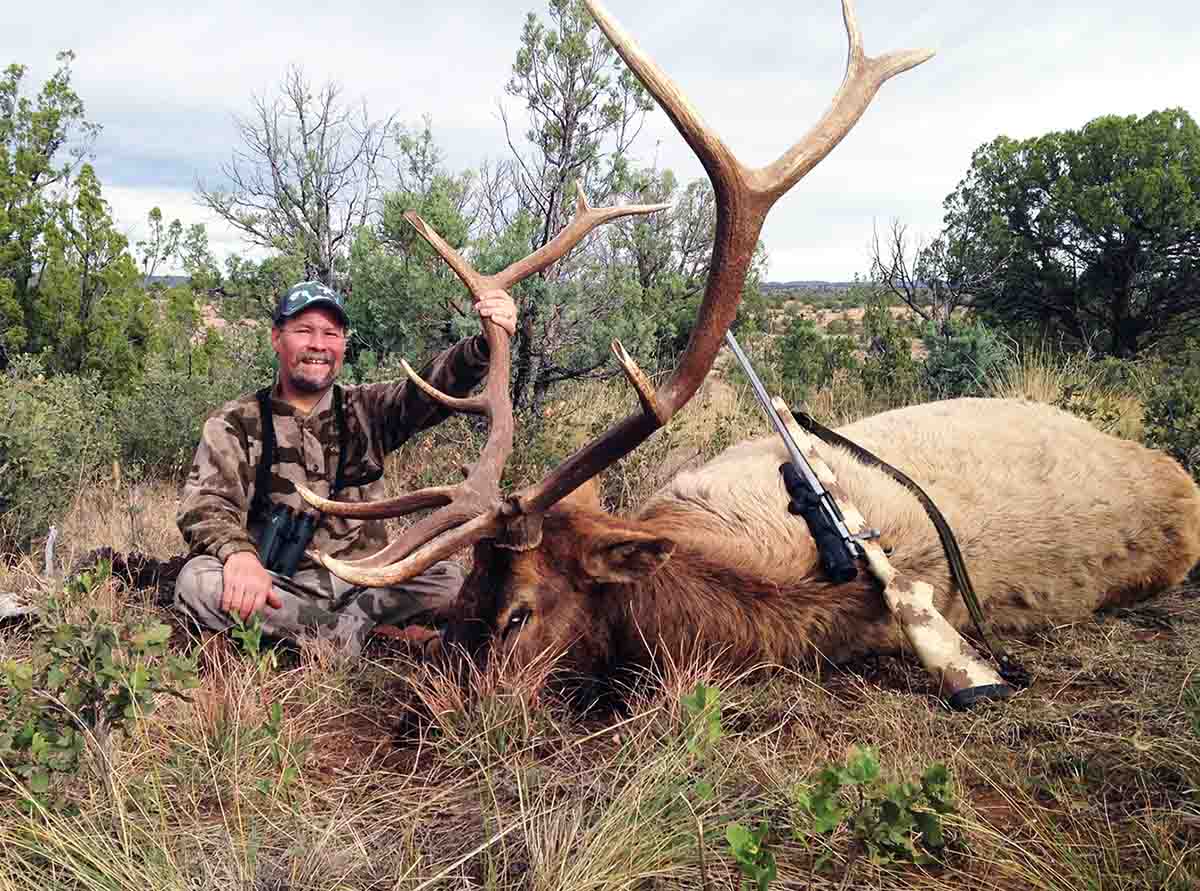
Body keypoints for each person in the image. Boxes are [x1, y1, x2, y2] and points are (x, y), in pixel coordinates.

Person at [173, 280, 517, 656]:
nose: (318, 345)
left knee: (448, 579)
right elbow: (205, 504)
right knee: (197, 581)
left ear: (343, 344)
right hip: (280, 585)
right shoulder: (235, 422)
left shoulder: (366, 409)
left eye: (330, 333)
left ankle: (335, 632)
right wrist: (238, 554)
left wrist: (483, 346)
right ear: (276, 338)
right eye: (303, 331)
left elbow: (421, 395)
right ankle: (355, 637)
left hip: (367, 581)